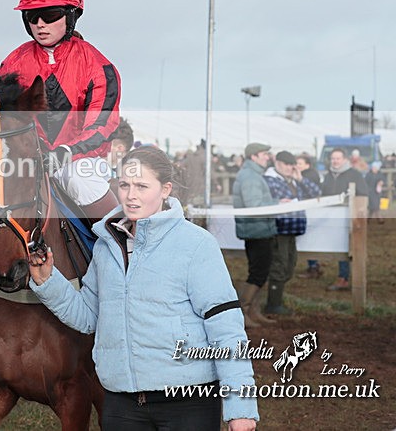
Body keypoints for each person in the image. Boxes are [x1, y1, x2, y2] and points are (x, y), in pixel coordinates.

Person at [28, 146, 258, 430]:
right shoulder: (105, 246)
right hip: (121, 402)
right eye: (124, 185)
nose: (131, 195)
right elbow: (88, 317)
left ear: (165, 190)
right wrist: (47, 280)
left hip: (188, 402)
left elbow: (226, 327)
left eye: (141, 186)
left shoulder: (197, 244)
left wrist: (241, 406)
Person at [0, 0, 122, 222]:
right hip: (28, 159)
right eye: (32, 16)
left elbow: (102, 124)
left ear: (71, 15)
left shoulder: (98, 66)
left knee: (80, 181)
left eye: (50, 15)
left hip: (81, 160)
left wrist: (66, 152)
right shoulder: (13, 63)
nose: (40, 24)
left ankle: (124, 250)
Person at [262, 151, 321, 316]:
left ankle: (275, 300)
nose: (290, 168)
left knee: (289, 264)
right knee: (279, 265)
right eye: (287, 164)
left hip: (291, 229)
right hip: (278, 228)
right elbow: (280, 200)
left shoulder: (293, 180)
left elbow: (316, 192)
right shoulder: (270, 180)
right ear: (278, 163)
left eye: (291, 164)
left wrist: (300, 179)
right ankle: (273, 304)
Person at [232, 143, 277, 328]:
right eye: (264, 154)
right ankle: (242, 311)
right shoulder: (250, 177)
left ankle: (253, 311)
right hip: (257, 230)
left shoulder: (252, 175)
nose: (268, 157)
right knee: (258, 274)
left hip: (258, 229)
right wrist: (280, 203)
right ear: (254, 157)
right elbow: (255, 205)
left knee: (259, 272)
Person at [322, 148, 368, 291]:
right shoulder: (329, 175)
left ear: (345, 159)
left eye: (338, 158)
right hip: (333, 216)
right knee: (340, 247)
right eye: (333, 158)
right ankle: (343, 277)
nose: (335, 161)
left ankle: (351, 278)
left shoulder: (354, 174)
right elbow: (324, 193)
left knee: (353, 248)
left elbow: (363, 193)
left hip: (351, 216)